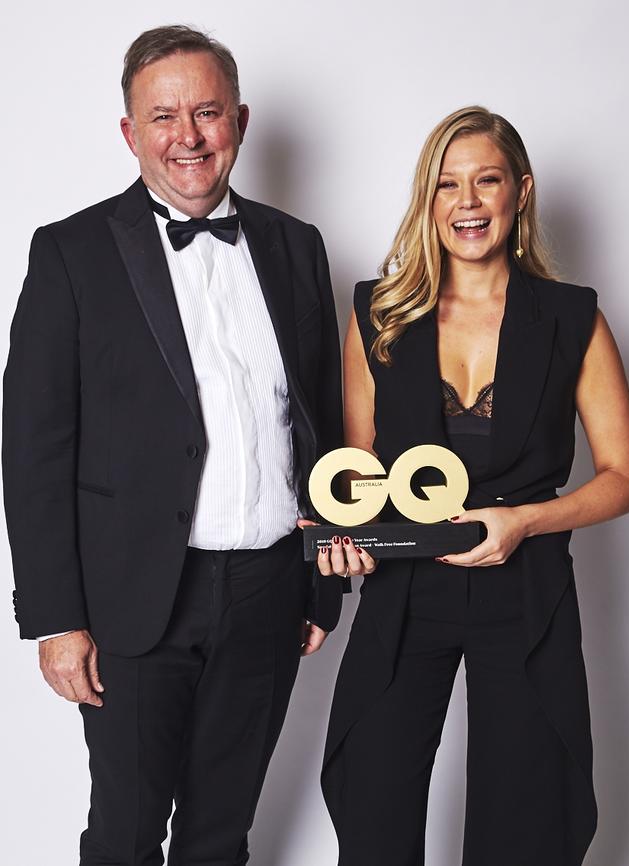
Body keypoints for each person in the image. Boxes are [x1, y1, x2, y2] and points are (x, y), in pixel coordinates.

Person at [2, 24, 343, 866]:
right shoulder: (71, 252)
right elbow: (33, 445)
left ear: (241, 121)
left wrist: (322, 579)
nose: (186, 135)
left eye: (207, 112)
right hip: (133, 600)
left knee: (221, 833)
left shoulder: (295, 246)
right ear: (130, 132)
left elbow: (321, 421)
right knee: (125, 830)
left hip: (269, 589)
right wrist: (57, 619)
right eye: (163, 116)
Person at [317, 106, 629, 866]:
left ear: (520, 192)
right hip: (403, 593)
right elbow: (356, 469)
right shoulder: (380, 316)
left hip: (526, 595)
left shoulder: (574, 320)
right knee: (372, 807)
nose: (467, 202)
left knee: (523, 827)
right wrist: (337, 539)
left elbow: (627, 478)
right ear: (428, 201)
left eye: (487, 181)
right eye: (448, 184)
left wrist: (525, 522)